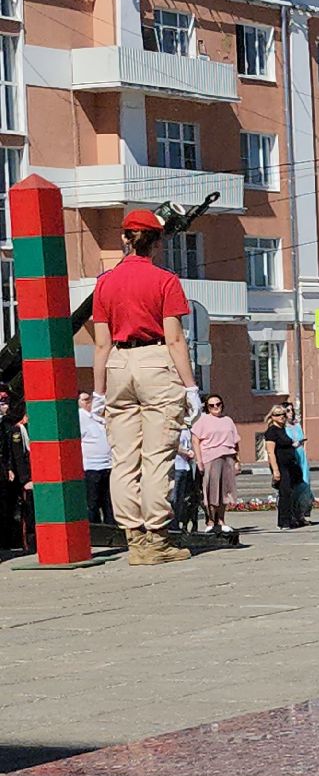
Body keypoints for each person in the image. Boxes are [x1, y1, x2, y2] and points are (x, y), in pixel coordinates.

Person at [91, 209, 198, 565]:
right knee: (156, 457)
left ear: (125, 239)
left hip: (118, 364)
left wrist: (98, 392)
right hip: (156, 362)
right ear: (157, 242)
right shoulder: (165, 281)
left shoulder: (105, 282)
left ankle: (134, 540)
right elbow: (175, 339)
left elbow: (101, 344)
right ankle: (157, 540)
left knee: (123, 459)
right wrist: (191, 387)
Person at [190, 394, 239, 534]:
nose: (215, 407)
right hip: (210, 458)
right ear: (207, 407)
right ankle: (211, 521)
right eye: (211, 405)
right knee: (212, 491)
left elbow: (236, 441)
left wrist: (237, 461)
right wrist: (199, 461)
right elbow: (195, 441)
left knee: (225, 491)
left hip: (228, 457)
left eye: (218, 404)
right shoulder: (203, 420)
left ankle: (222, 520)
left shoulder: (228, 420)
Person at [261, 405, 304, 530]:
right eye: (278, 414)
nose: (282, 417)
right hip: (280, 466)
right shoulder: (272, 431)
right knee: (284, 493)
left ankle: (290, 519)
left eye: (283, 415)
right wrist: (275, 471)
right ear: (272, 416)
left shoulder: (282, 429)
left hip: (289, 465)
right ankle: (283, 522)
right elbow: (270, 452)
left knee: (289, 492)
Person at [77, 388, 112, 525]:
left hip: (108, 465)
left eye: (89, 400)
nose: (88, 403)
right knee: (93, 503)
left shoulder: (98, 416)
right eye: (84, 400)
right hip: (91, 467)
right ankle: (95, 529)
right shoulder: (80, 417)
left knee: (108, 503)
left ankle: (111, 528)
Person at [0, 392, 25, 552]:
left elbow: (8, 449)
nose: (5, 406)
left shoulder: (8, 423)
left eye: (6, 402)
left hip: (5, 470)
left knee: (7, 506)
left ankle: (8, 541)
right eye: (2, 403)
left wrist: (9, 468)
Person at [169, 425, 199, 534]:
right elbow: (172, 444)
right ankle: (171, 524)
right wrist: (186, 452)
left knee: (181, 499)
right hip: (175, 466)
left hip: (185, 467)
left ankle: (177, 524)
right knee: (173, 497)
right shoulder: (174, 428)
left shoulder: (188, 430)